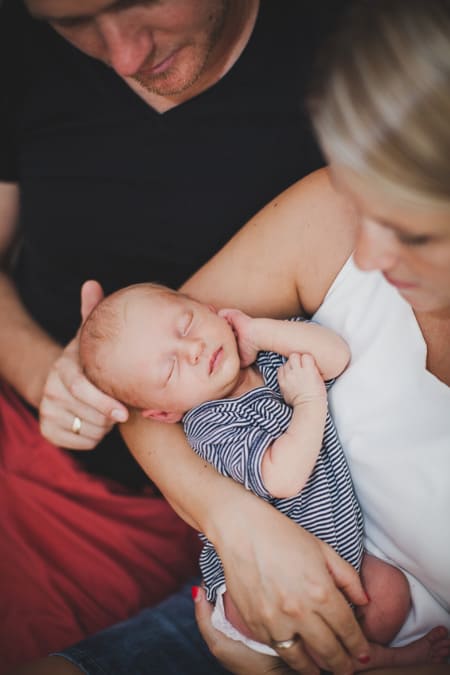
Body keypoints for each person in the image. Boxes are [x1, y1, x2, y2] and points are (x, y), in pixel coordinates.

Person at [4, 0, 450, 674]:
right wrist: (235, 524)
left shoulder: (333, 49)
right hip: (250, 581)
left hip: (360, 600)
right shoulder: (328, 216)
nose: (368, 256)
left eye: (411, 233)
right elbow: (153, 406)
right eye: (69, 22)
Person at [78, 280, 448, 670]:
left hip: (344, 552)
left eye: (186, 325)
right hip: (261, 587)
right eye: (169, 369)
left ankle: (370, 658)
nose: (192, 349)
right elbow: (282, 478)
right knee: (295, 633)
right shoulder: (210, 425)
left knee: (390, 594)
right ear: (165, 414)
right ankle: (377, 662)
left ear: (205, 305)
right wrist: (307, 401)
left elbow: (335, 356)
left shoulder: (267, 355)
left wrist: (258, 331)